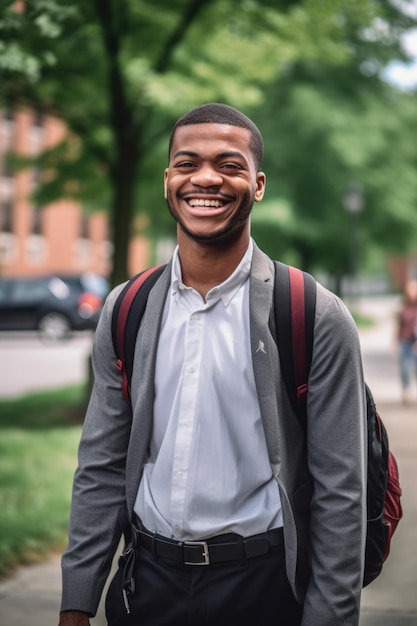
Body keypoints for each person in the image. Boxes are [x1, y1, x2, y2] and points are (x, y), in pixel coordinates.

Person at [58, 103, 367, 626]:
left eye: (229, 165)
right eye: (187, 163)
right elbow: (101, 466)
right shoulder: (126, 308)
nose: (206, 178)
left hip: (263, 588)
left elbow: (342, 493)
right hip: (146, 587)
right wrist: (76, 599)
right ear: (166, 181)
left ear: (259, 184)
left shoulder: (315, 315)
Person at [397, 279, 417, 404]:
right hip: (405, 341)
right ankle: (406, 391)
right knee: (404, 368)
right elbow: (399, 326)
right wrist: (395, 342)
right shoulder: (403, 308)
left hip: (416, 342)